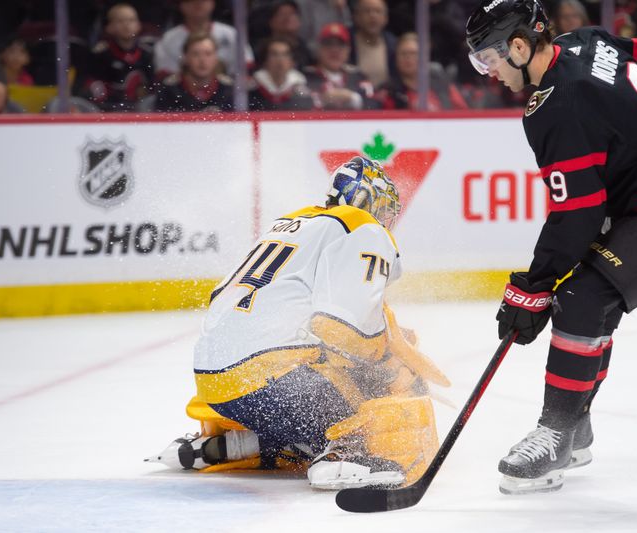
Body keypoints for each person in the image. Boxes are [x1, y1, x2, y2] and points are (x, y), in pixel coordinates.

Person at [465, 0, 637, 495]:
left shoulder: (555, 108)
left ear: (520, 47)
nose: (490, 72)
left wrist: (534, 287)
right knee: (594, 297)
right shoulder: (585, 40)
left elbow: (579, 213)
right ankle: (576, 424)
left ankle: (558, 434)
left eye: (490, 59)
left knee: (584, 297)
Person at [146, 156, 449, 490]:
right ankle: (344, 454)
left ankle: (230, 443)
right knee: (374, 403)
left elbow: (222, 298)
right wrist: (387, 363)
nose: (388, 219)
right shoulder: (362, 227)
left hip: (215, 388)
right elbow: (338, 327)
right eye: (386, 208)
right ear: (367, 199)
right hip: (274, 381)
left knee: (311, 396)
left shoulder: (292, 223)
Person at [154, 0, 254, 79]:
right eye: (190, 0)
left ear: (213, 3)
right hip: (183, 95)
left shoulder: (231, 34)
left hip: (226, 95)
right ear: (181, 5)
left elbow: (246, 69)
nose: (198, 3)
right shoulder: (168, 39)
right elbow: (166, 78)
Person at [83, 4, 155, 112]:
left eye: (131, 20)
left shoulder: (147, 54)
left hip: (140, 113)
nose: (126, 25)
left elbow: (152, 89)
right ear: (109, 27)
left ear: (139, 25)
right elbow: (93, 88)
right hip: (106, 111)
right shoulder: (100, 54)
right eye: (120, 21)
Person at [377, 32, 468, 111]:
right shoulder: (388, 91)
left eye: (413, 53)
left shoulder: (443, 87)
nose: (408, 58)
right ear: (396, 58)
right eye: (403, 54)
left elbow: (463, 116)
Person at [303, 22, 378, 110]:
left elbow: (375, 105)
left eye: (340, 44)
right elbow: (297, 105)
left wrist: (353, 98)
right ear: (319, 49)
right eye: (328, 44)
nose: (334, 50)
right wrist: (322, 99)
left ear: (348, 50)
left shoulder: (359, 78)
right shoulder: (305, 78)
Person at [155, 33, 234, 112]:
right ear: (186, 58)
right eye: (195, 54)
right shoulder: (169, 90)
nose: (202, 60)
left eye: (208, 54)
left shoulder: (229, 89)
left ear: (216, 58)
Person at [248, 37, 314, 111]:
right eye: (274, 54)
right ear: (265, 60)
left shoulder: (304, 93)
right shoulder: (250, 91)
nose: (280, 59)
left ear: (292, 62)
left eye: (285, 54)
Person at [350, 0, 396, 89]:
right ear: (357, 17)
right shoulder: (346, 42)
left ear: (385, 18)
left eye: (378, 11)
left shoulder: (393, 45)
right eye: (367, 11)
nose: (373, 16)